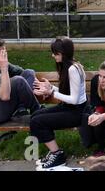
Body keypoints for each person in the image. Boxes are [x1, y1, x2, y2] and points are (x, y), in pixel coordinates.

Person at [30, 37, 87, 170]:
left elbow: (74, 99)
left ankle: (58, 155)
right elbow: (68, 93)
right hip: (69, 108)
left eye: (56, 53)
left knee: (37, 122)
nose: (53, 55)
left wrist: (50, 92)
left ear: (64, 53)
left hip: (76, 112)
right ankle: (54, 152)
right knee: (36, 115)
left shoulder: (73, 69)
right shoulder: (68, 66)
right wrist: (51, 88)